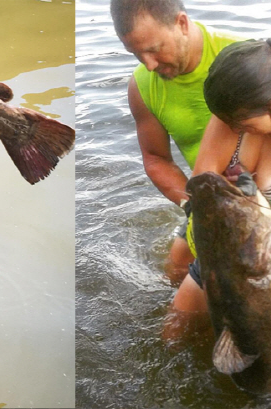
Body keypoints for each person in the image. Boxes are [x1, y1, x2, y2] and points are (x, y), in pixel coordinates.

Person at [166, 35, 271, 340]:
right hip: (223, 252)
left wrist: (252, 210)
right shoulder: (235, 111)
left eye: (242, 127)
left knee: (264, 370)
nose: (233, 131)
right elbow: (203, 181)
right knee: (172, 334)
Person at [110, 0, 242, 282]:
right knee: (176, 271)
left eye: (154, 49)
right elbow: (157, 158)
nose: (149, 64)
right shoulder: (142, 85)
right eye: (135, 53)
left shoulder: (241, 58)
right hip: (209, 200)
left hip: (269, 195)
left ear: (181, 23)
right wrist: (195, 206)